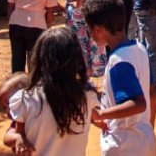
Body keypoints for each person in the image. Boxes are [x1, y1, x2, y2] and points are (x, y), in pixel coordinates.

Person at [5, 27, 99, 156]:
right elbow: (97, 116)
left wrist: (18, 139)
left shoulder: (26, 98)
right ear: (76, 59)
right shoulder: (87, 94)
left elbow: (16, 133)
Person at [84, 0, 156, 156]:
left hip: (124, 144)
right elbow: (152, 93)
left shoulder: (119, 60)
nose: (91, 36)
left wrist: (100, 114)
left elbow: (138, 104)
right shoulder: (139, 48)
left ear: (98, 29)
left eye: (91, 31)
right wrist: (148, 127)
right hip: (144, 139)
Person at [8, 0, 61, 73]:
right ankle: (33, 85)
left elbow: (11, 4)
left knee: (17, 59)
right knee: (35, 60)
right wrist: (48, 26)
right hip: (37, 25)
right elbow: (50, 11)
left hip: (16, 23)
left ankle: (17, 86)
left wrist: (11, 20)